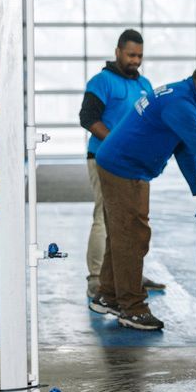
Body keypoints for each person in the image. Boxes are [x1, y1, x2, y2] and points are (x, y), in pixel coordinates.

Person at [91, 61, 196, 330]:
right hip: (124, 170)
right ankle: (132, 308)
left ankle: (108, 295)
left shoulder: (179, 95)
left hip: (117, 164)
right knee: (132, 237)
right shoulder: (181, 105)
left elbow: (184, 146)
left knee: (121, 235)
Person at [78, 29, 166, 305]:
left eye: (139, 55)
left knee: (134, 223)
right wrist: (117, 142)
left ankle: (129, 276)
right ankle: (97, 279)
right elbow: (88, 118)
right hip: (103, 159)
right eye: (130, 55)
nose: (135, 60)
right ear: (117, 52)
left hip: (134, 164)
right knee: (105, 218)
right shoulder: (101, 82)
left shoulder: (145, 84)